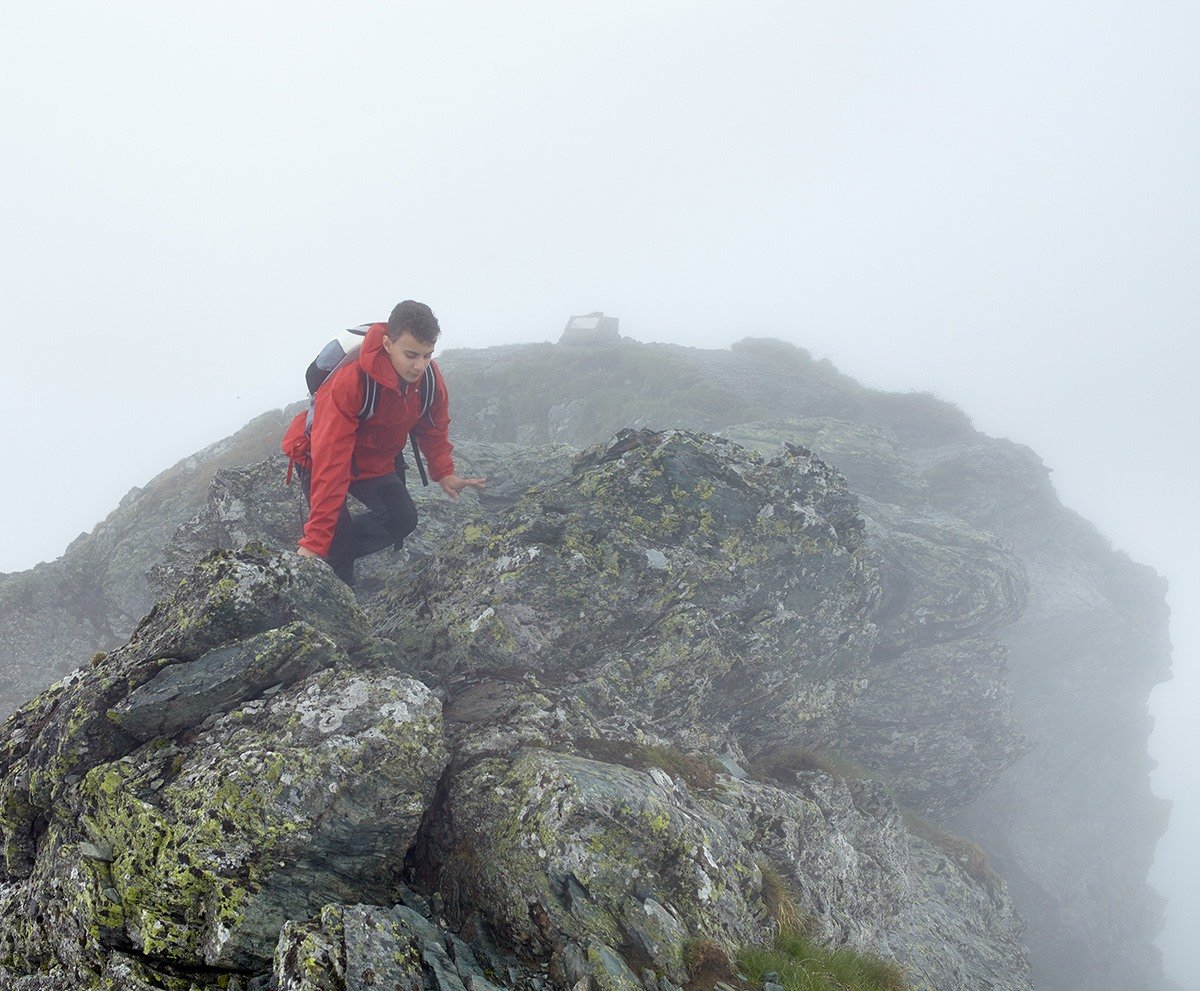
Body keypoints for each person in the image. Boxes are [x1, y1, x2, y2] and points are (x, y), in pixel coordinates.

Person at [283, 300, 485, 586]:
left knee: (403, 520)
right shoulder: (351, 382)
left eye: (427, 355)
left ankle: (338, 552)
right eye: (411, 354)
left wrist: (444, 472)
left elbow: (433, 426)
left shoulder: (428, 378)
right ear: (388, 344)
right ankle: (337, 588)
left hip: (373, 461)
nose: (420, 366)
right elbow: (331, 462)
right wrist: (316, 540)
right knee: (332, 542)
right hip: (318, 458)